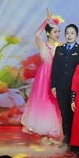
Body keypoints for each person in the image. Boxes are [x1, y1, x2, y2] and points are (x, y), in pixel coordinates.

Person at [22, 9, 63, 144]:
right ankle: (42, 131)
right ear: (48, 33)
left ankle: (51, 131)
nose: (57, 34)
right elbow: (36, 34)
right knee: (42, 100)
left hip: (54, 75)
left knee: (52, 102)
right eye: (55, 31)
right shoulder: (42, 45)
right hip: (43, 75)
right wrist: (47, 20)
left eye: (58, 31)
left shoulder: (59, 47)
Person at [51, 23, 79, 146]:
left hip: (75, 87)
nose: (69, 35)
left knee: (74, 112)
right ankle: (66, 137)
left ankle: (75, 137)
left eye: (72, 33)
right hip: (61, 86)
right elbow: (55, 68)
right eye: (67, 33)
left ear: (77, 35)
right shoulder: (60, 49)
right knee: (64, 112)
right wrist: (54, 85)